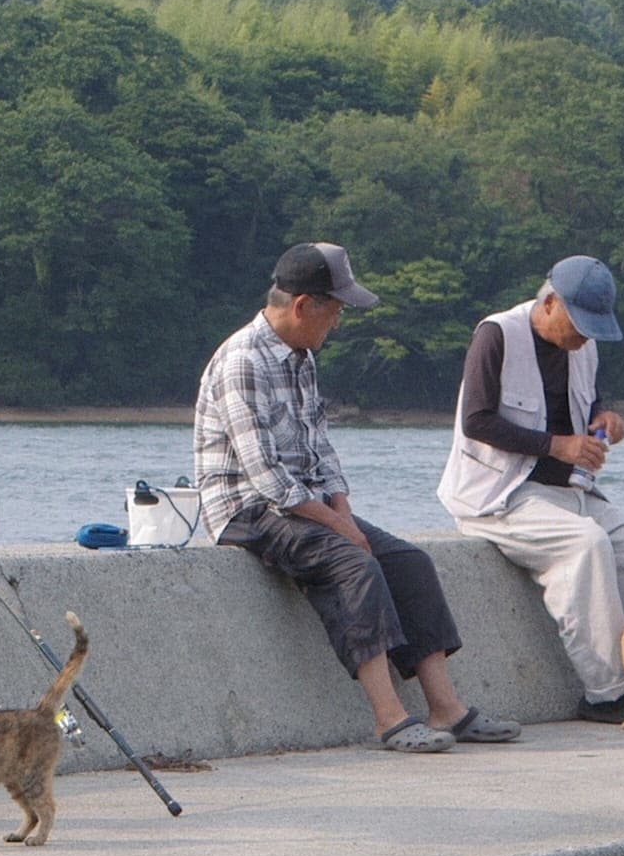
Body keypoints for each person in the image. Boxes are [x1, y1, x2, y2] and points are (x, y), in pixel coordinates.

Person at [194, 242, 520, 753]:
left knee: (408, 561)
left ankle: (446, 708)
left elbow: (320, 449)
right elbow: (267, 479)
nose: (339, 323)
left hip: (305, 506)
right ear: (303, 306)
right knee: (353, 564)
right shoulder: (243, 362)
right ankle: (389, 717)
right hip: (247, 510)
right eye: (336, 310)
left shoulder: (300, 357)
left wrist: (343, 510)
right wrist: (343, 530)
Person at [436, 255, 624, 724]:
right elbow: (476, 421)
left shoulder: (585, 347)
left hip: (571, 491)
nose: (585, 337)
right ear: (549, 303)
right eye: (580, 324)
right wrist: (556, 446)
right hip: (498, 494)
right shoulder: (496, 335)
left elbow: (591, 402)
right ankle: (607, 693)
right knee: (585, 545)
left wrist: (607, 421)